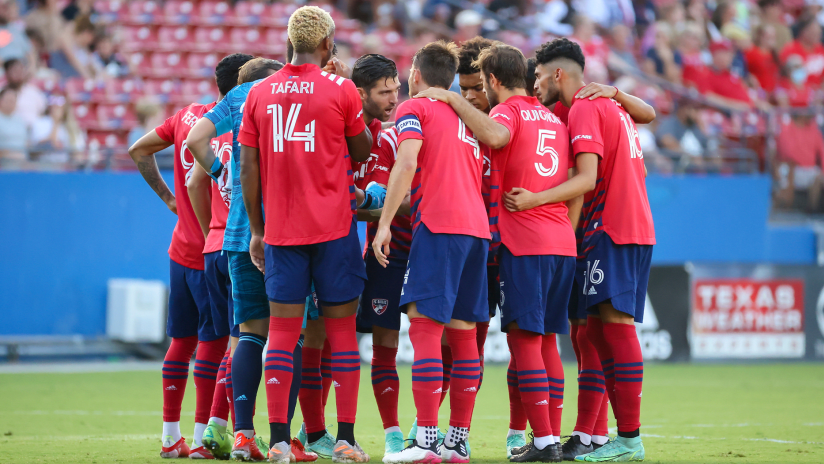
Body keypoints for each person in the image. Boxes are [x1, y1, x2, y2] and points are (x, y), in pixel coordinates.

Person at [415, 42, 579, 463]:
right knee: (547, 346)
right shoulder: (554, 120)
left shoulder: (507, 111)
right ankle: (548, 438)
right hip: (562, 240)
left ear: (492, 80)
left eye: (478, 86)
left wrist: (449, 97)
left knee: (523, 344)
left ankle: (542, 443)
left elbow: (497, 134)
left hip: (523, 242)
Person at [238, 6, 372, 463]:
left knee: (281, 333)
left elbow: (248, 167)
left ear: (289, 43)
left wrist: (257, 229)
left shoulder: (259, 93)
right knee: (340, 333)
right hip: (333, 230)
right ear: (327, 45)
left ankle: (276, 441)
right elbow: (361, 149)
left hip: (281, 232)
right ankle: (346, 441)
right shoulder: (341, 89)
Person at [525, 37, 655, 462]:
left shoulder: (584, 106)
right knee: (594, 330)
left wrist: (533, 201)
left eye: (540, 75)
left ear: (558, 73)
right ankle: (596, 435)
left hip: (611, 227)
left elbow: (585, 178)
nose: (535, 83)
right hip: (626, 225)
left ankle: (629, 438)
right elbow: (648, 115)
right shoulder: (607, 104)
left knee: (615, 326)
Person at [186, 56, 318, 463]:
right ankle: (283, 439)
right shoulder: (288, 95)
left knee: (249, 334)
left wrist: (222, 173)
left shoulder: (236, 98)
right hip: (291, 233)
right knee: (289, 335)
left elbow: (194, 141)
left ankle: (243, 436)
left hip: (241, 234)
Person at [127, 53, 252, 460]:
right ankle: (202, 439)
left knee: (181, 342)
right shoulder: (234, 128)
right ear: (241, 87)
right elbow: (205, 182)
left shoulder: (185, 118)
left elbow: (138, 150)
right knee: (217, 344)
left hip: (181, 248)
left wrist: (167, 199)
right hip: (215, 248)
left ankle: (170, 437)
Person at [375, 40, 490, 464]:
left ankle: (425, 443)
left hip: (438, 227)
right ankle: (455, 443)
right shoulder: (467, 117)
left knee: (424, 332)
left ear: (416, 75)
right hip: (477, 232)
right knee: (463, 341)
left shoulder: (415, 109)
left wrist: (384, 224)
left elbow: (405, 164)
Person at [348, 53, 409, 457]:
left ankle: (423, 430)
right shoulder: (348, 134)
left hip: (416, 248)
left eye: (396, 89)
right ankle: (392, 434)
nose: (393, 98)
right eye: (384, 91)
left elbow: (385, 200)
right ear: (361, 93)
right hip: (382, 252)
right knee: (381, 340)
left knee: (441, 342)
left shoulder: (393, 135)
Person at [779, 15, 824, 88]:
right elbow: (787, 76)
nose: (817, 35)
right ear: (803, 31)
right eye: (813, 32)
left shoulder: (821, 50)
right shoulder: (791, 49)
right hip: (798, 91)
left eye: (818, 33)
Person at [3, 58, 47, 129]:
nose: (18, 74)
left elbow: (43, 112)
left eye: (20, 70)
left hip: (34, 131)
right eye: (15, 71)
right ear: (7, 73)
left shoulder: (34, 91)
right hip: (9, 131)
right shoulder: (2, 92)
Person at [0, 86, 27, 166]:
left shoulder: (20, 120)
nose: (11, 103)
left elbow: (25, 142)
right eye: (8, 100)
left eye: (13, 101)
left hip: (21, 163)